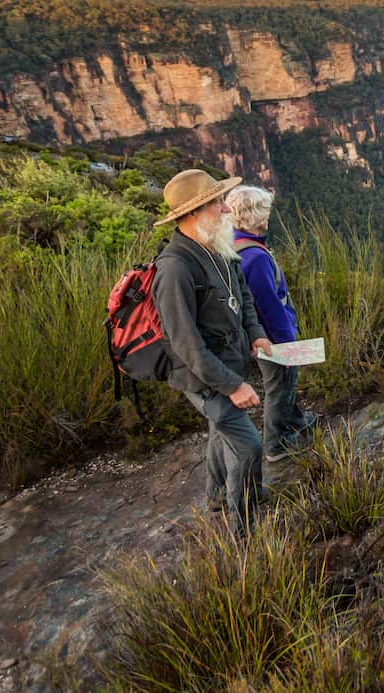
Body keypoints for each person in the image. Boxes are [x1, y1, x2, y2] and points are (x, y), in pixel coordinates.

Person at [152, 169, 272, 534]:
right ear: (192, 213)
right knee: (249, 447)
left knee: (221, 432)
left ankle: (217, 496)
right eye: (217, 203)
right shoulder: (174, 268)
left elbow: (244, 296)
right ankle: (244, 532)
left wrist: (256, 333)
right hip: (205, 379)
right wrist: (233, 386)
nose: (225, 209)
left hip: (228, 363)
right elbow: (186, 343)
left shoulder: (218, 245)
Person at [225, 185, 317, 462]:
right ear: (259, 218)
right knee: (279, 384)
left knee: (285, 381)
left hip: (255, 335)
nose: (269, 216)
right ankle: (277, 443)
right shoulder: (255, 258)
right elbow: (268, 305)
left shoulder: (232, 244)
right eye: (265, 211)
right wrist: (287, 340)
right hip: (271, 337)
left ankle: (297, 420)